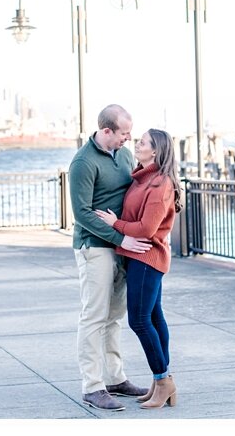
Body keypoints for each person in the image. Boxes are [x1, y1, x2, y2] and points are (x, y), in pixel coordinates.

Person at [69, 104, 153, 411]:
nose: (129, 138)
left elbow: (138, 189)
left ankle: (116, 378)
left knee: (115, 316)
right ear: (107, 131)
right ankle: (93, 386)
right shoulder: (82, 162)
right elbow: (81, 214)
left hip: (122, 245)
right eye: (124, 133)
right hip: (95, 247)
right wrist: (121, 237)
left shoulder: (125, 155)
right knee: (94, 315)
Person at [95, 128, 181, 409]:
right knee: (154, 318)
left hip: (147, 258)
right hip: (142, 258)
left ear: (155, 151)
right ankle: (161, 383)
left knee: (140, 320)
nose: (137, 143)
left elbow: (146, 228)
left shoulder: (160, 184)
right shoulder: (143, 177)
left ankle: (164, 379)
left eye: (143, 142)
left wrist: (115, 224)